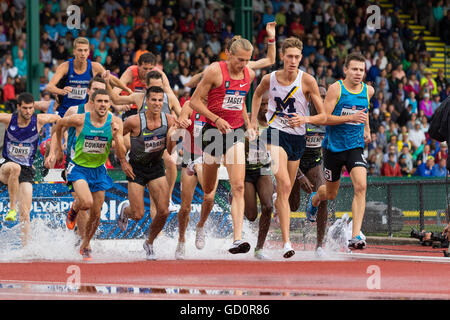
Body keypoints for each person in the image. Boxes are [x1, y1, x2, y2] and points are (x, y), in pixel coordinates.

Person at [250, 37, 326, 258]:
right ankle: (286, 240)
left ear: (301, 57)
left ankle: (285, 240)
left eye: (297, 57)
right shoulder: (270, 78)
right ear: (282, 56)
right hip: (275, 134)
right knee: (283, 182)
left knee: (285, 193)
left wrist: (305, 120)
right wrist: (254, 121)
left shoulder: (308, 81)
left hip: (297, 139)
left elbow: (322, 116)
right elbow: (255, 96)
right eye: (289, 56)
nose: (293, 61)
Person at [189, 35, 256, 254]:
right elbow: (194, 102)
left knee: (238, 186)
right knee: (209, 190)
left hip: (234, 133)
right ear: (229, 55)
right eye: (239, 60)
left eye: (247, 60)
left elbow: (242, 101)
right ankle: (200, 226)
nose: (243, 65)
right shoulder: (215, 71)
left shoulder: (250, 74)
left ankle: (237, 239)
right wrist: (216, 119)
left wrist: (248, 125)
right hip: (211, 133)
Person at [47, 89, 127, 260]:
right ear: (93, 102)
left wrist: (117, 137)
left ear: (110, 104)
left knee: (96, 214)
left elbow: (121, 153)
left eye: (106, 102)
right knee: (86, 202)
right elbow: (59, 124)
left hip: (99, 170)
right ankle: (74, 209)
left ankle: (85, 244)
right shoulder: (80, 119)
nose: (103, 105)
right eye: (100, 101)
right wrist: (59, 148)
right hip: (79, 168)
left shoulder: (116, 122)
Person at [306, 52, 374, 250]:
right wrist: (350, 118)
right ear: (345, 70)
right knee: (330, 193)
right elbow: (324, 118)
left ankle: (355, 235)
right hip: (333, 148)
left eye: (361, 70)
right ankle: (315, 198)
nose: (358, 73)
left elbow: (364, 110)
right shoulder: (336, 89)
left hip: (355, 146)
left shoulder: (368, 91)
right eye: (354, 69)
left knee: (361, 186)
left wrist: (367, 129)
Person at [115, 86, 178, 260]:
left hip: (156, 166)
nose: (157, 103)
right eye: (153, 100)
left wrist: (172, 136)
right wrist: (123, 161)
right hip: (136, 168)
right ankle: (124, 211)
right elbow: (118, 136)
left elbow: (171, 150)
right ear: (146, 102)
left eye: (160, 100)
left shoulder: (170, 120)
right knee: (138, 214)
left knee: (164, 211)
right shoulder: (134, 121)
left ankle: (149, 242)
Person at [107, 70, 180, 214]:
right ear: (146, 87)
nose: (157, 92)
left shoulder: (170, 98)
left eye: (159, 88)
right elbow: (115, 99)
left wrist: (183, 120)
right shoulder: (139, 97)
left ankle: (169, 198)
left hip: (161, 144)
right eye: (152, 88)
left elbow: (182, 113)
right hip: (141, 144)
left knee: (170, 161)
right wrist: (107, 82)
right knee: (120, 139)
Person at [46, 75, 109, 240]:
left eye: (101, 91)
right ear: (89, 91)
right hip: (74, 163)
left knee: (95, 208)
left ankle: (83, 237)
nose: (98, 94)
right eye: (95, 89)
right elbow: (57, 129)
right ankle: (84, 242)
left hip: (96, 164)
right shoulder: (75, 110)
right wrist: (56, 151)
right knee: (83, 201)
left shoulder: (106, 114)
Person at [0, 92, 61, 246]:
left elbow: (60, 121)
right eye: (25, 108)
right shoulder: (9, 119)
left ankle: (25, 247)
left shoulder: (39, 120)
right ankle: (12, 208)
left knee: (26, 213)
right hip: (6, 165)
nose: (28, 111)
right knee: (14, 168)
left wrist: (52, 150)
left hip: (27, 170)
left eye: (31, 108)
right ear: (18, 107)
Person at [45, 37, 130, 117]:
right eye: (80, 50)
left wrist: (128, 90)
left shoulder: (95, 67)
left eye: (85, 50)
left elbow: (112, 79)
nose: (83, 54)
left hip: (85, 114)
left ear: (89, 52)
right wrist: (61, 91)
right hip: (65, 112)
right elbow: (49, 87)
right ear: (74, 51)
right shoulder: (65, 66)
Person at [288, 86, 328, 255]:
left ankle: (319, 246)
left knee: (324, 195)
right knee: (293, 205)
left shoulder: (327, 116)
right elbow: (288, 150)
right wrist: (299, 175)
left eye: (325, 96)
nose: (323, 100)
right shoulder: (300, 115)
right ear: (311, 98)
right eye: (319, 96)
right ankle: (278, 197)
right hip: (294, 161)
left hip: (314, 162)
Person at [243, 95, 274, 260]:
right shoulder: (246, 120)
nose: (265, 107)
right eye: (262, 104)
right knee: (252, 216)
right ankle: (235, 195)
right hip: (246, 170)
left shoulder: (274, 122)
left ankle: (259, 248)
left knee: (268, 207)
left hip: (263, 168)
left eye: (268, 103)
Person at [115, 52, 181, 121]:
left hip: (150, 108)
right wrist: (118, 106)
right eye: (145, 68)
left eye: (150, 69)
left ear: (155, 67)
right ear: (138, 65)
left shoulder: (159, 75)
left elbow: (170, 96)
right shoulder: (130, 73)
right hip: (130, 108)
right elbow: (114, 93)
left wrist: (173, 112)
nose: (148, 72)